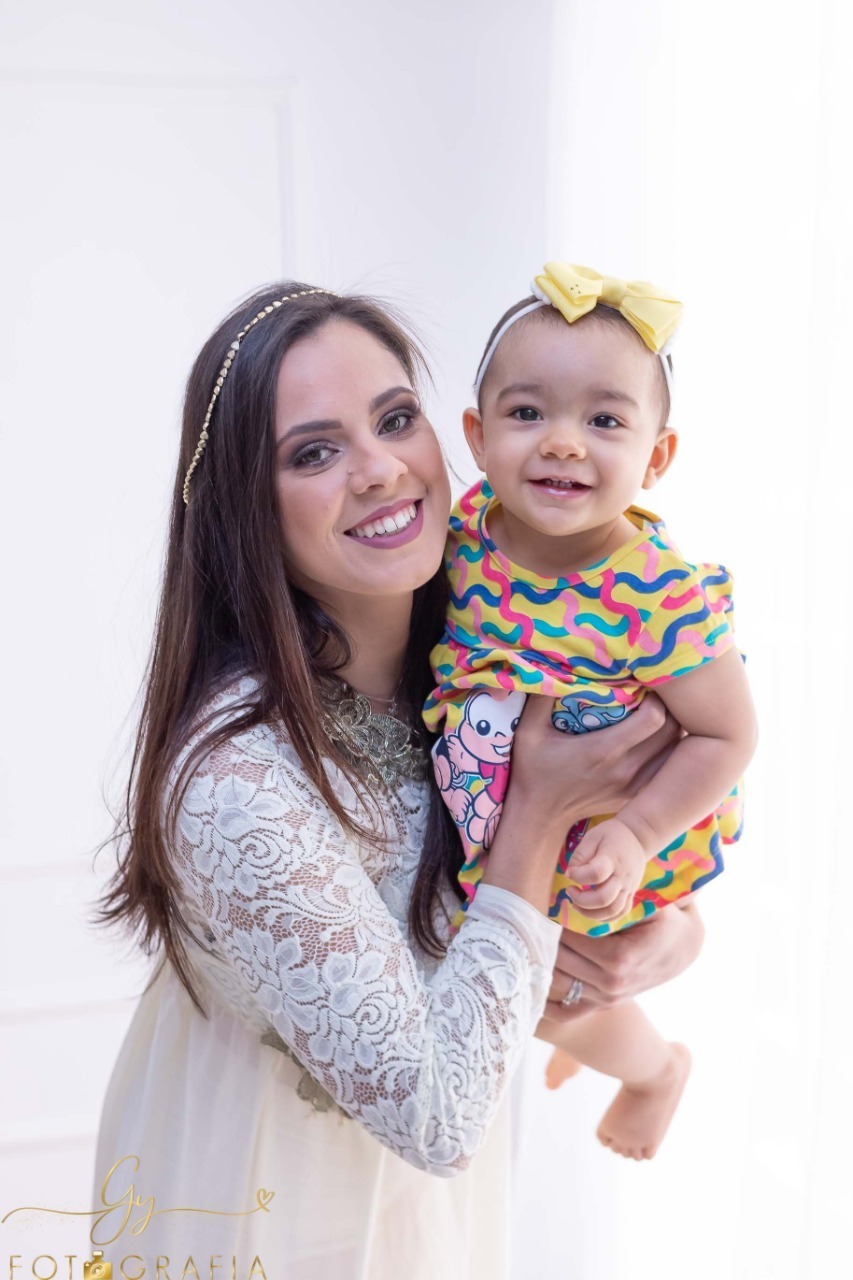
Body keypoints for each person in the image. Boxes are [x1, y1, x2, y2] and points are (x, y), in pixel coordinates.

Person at [91, 281, 706, 1278]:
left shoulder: (487, 640)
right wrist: (542, 811)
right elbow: (437, 1112)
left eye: (393, 418)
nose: (380, 470)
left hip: (423, 1214)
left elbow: (666, 795)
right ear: (246, 502)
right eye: (314, 450)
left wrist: (668, 931)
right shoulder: (236, 776)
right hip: (270, 1202)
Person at [425, 262, 758, 1161]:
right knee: (502, 983)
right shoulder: (465, 534)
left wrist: (640, 834)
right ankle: (609, 1048)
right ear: (478, 435)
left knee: (542, 994)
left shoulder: (659, 594)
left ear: (656, 457)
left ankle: (651, 1071)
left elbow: (729, 733)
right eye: (527, 413)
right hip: (503, 803)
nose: (563, 443)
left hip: (610, 826)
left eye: (604, 420)